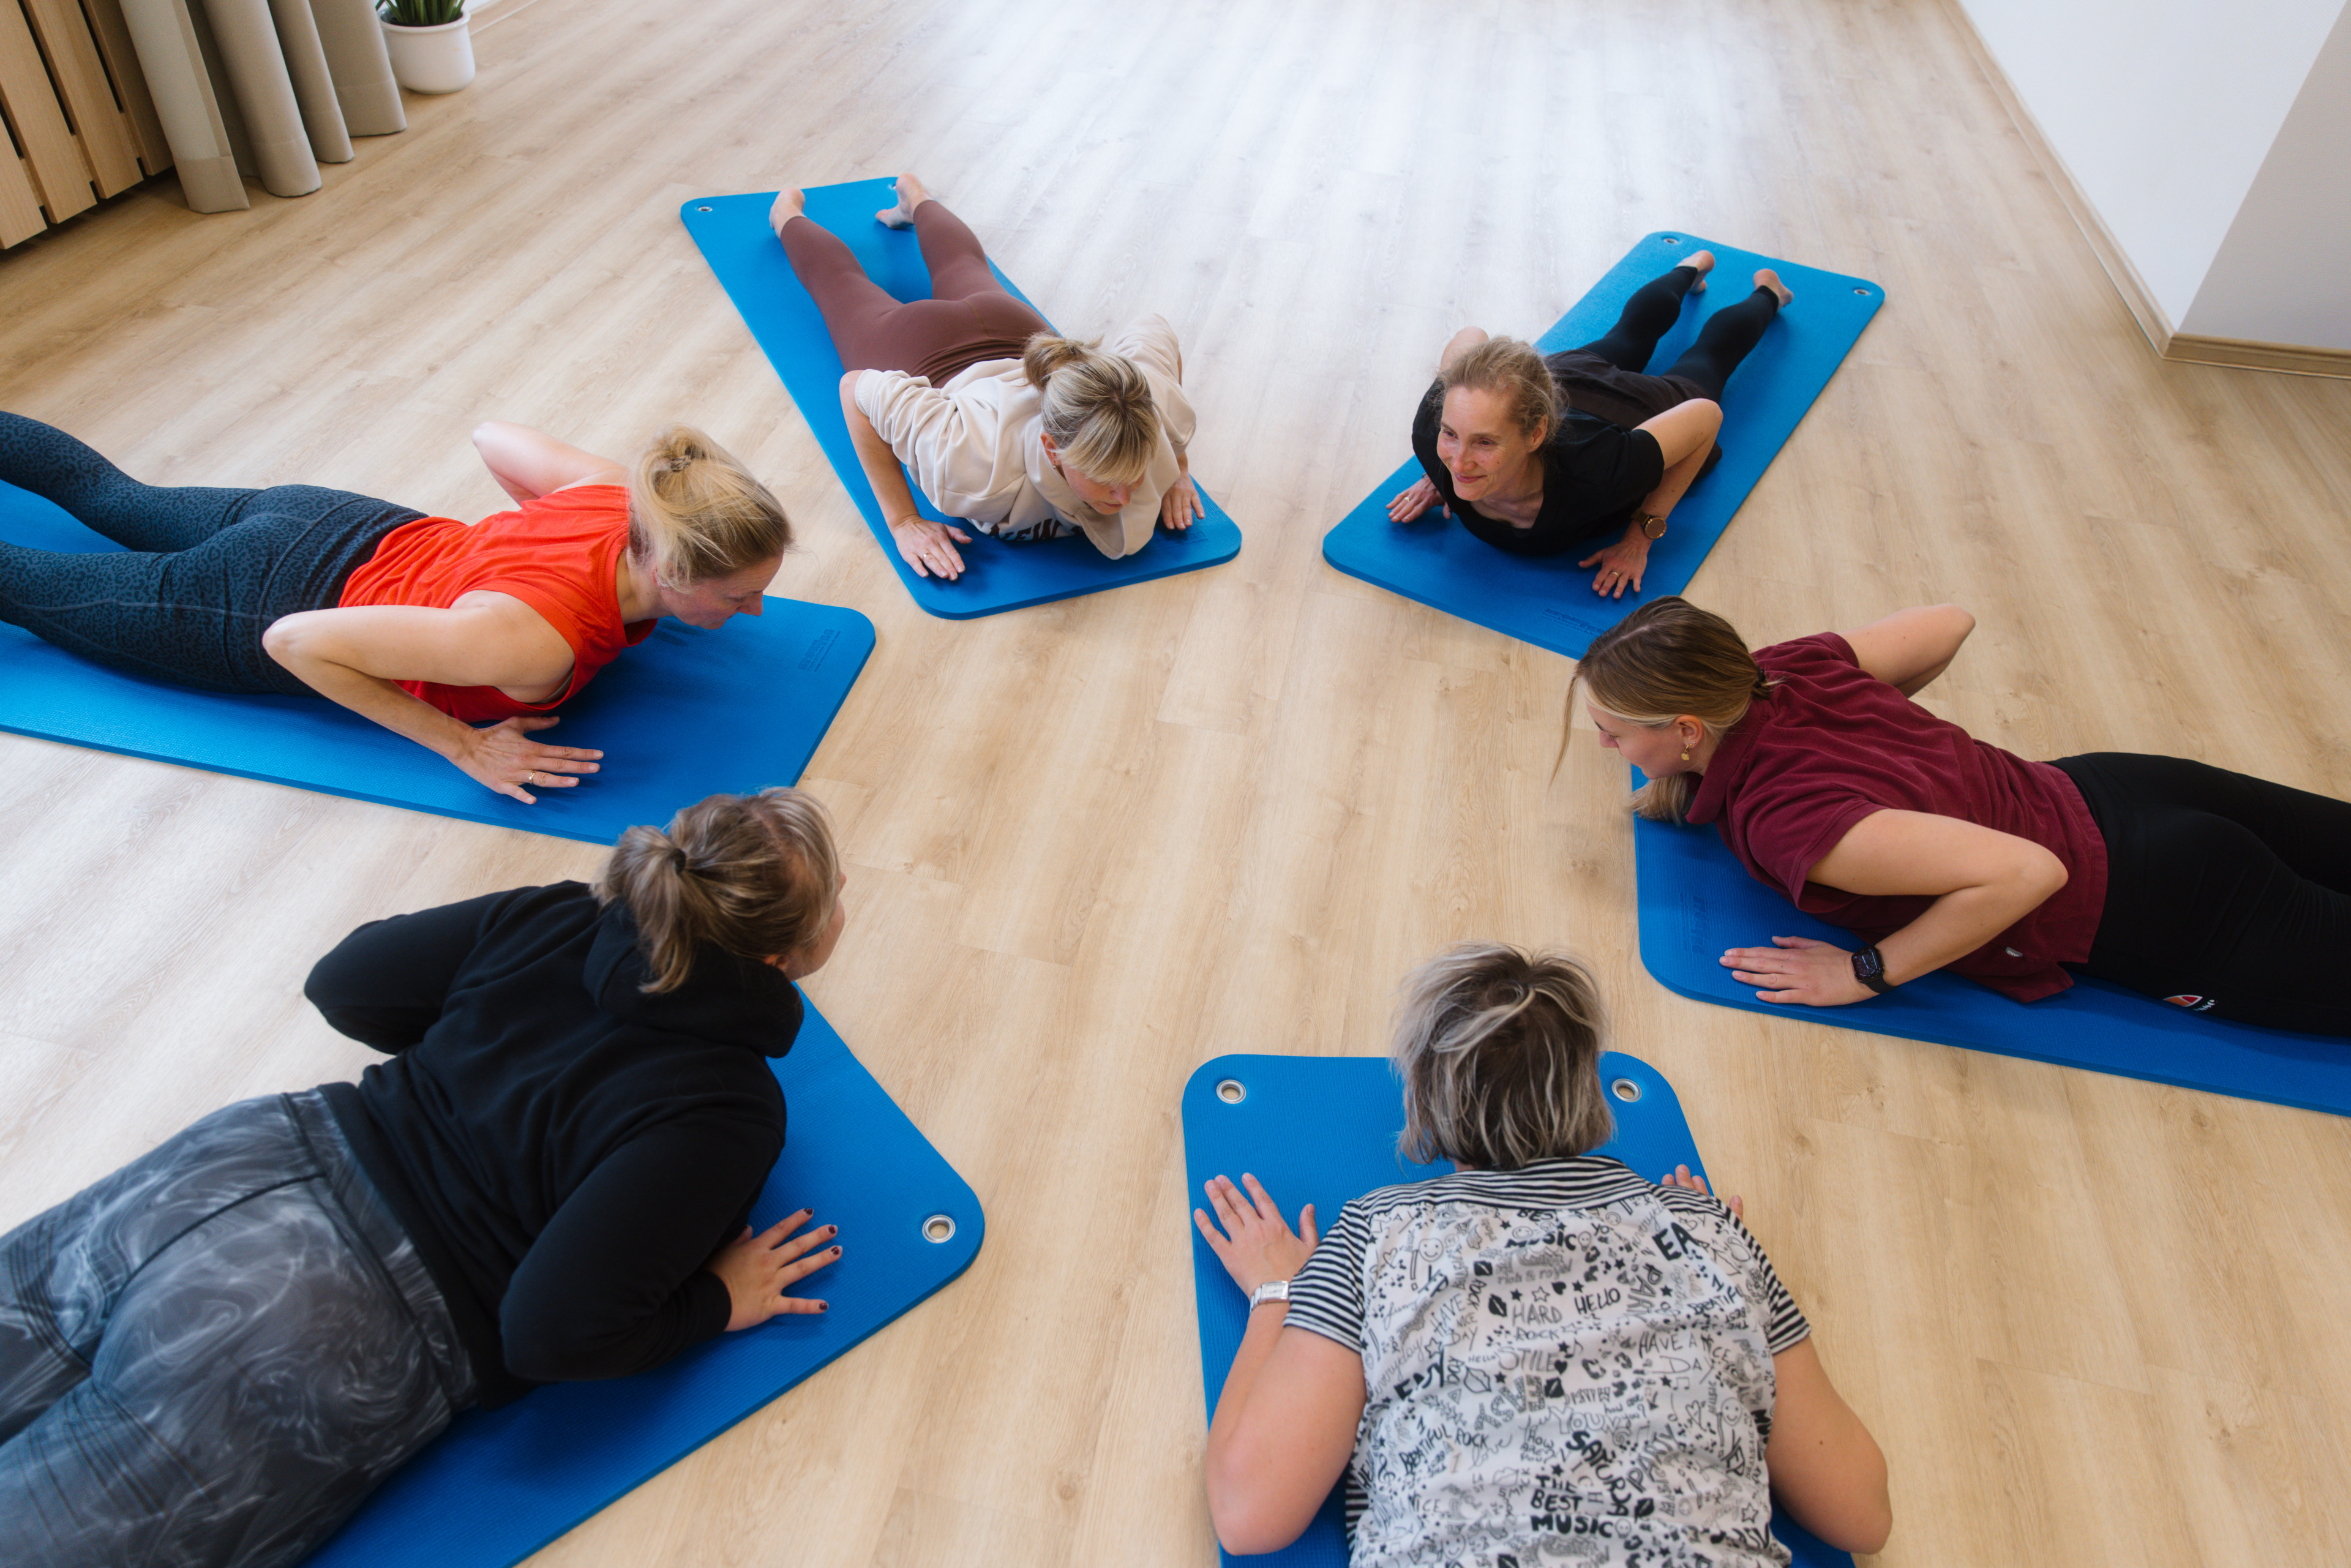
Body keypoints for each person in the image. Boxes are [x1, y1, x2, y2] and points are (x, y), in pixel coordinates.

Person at [0, 787, 849, 1568]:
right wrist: (716, 1302)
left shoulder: (556, 916)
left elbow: (345, 983)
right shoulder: (726, 1106)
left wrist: (464, 1068)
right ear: (779, 957)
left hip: (233, 1165)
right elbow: (551, 1331)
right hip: (314, 1316)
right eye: (837, 897)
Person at [1195, 943, 1891, 1566]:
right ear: (1588, 1094)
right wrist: (1725, 1261)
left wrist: (1279, 1291)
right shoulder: (1706, 1233)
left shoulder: (1376, 1234)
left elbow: (1249, 1515)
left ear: (1426, 1109)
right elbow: (1860, 1513)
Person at [1574, 596, 2351, 1035]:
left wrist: (1862, 973)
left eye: (1616, 727)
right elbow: (1950, 621)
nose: (1604, 739)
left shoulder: (1785, 817)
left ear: (1686, 731)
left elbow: (2026, 873)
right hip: (2123, 787)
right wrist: (1886, 745)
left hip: (2168, 906)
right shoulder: (1779, 669)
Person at [0, 412, 790, 801]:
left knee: (112, 496)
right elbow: (295, 642)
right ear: (675, 569)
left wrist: (515, 541)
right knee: (19, 583)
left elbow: (493, 436)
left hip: (330, 517)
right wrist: (464, 748)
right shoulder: (534, 642)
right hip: (250, 601)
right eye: (740, 594)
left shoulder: (626, 497)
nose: (755, 610)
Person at [769, 173, 1202, 582]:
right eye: (1107, 478)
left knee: (963, 262)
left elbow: (1153, 328)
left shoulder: (1146, 408)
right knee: (841, 286)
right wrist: (903, 521)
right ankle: (786, 211)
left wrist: (1177, 468)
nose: (1124, 498)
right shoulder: (971, 460)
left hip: (1018, 336)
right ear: (1051, 448)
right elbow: (855, 390)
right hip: (920, 348)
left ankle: (914, 197)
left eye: (1136, 473)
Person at [1386, 251, 1791, 599]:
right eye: (1452, 434)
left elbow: (1707, 417)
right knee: (1629, 334)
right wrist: (1438, 477)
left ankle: (1770, 292)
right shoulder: (1432, 431)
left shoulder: (1600, 468)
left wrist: (1641, 535)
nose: (1459, 462)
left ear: (1536, 435)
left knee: (1709, 358)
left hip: (1634, 410)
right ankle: (1690, 268)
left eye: (1484, 444)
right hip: (1559, 383)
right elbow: (1471, 335)